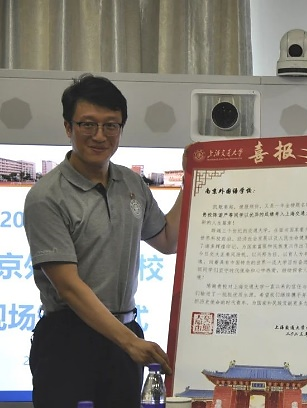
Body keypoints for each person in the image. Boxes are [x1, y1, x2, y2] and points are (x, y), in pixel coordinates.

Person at [23, 73, 186, 408]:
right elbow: (69, 287)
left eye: (111, 125)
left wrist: (194, 176)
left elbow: (168, 240)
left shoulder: (132, 183)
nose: (100, 135)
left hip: (125, 336)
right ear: (68, 127)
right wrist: (129, 343)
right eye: (88, 124)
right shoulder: (46, 197)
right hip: (68, 341)